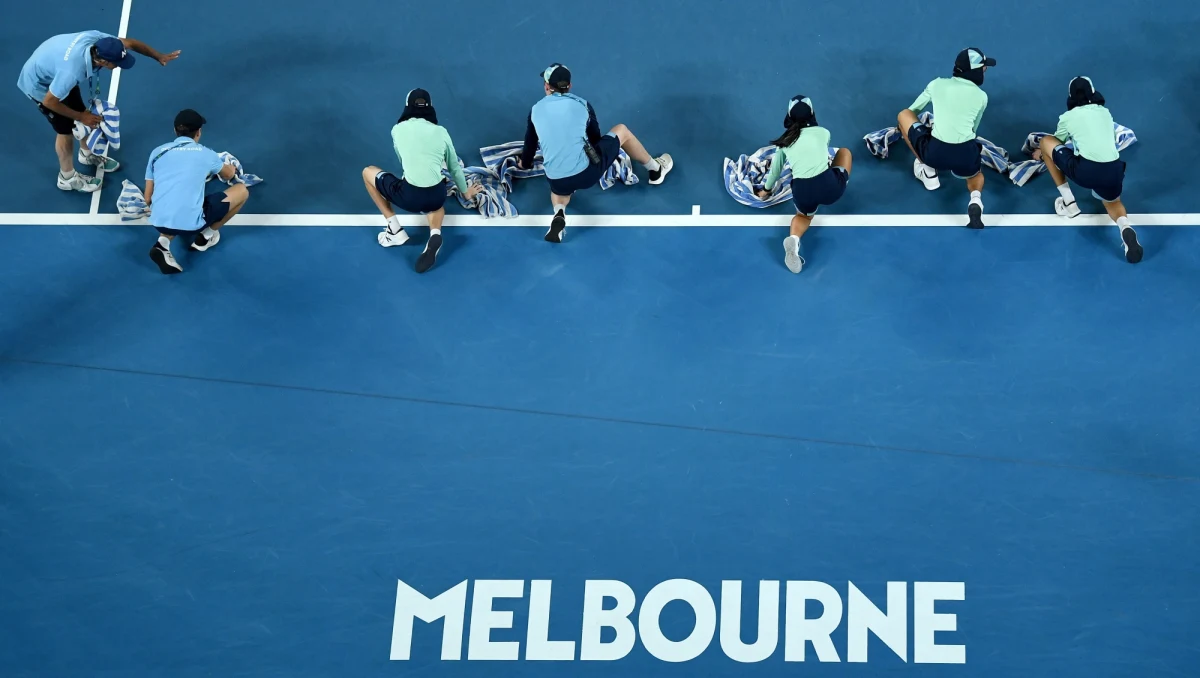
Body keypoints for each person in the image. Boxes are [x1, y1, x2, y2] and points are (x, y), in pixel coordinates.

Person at [519, 63, 674, 243]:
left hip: (556, 179)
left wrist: (524, 164)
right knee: (622, 130)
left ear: (546, 86)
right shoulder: (583, 104)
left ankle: (559, 212)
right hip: (588, 175)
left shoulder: (535, 110)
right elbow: (595, 139)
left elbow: (529, 145)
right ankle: (655, 169)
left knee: (559, 189)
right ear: (569, 86)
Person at [16, 31, 181, 193]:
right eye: (116, 63)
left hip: (54, 67)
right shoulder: (71, 72)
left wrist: (158, 56)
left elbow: (130, 43)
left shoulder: (100, 41)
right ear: (102, 61)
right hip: (40, 85)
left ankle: (86, 154)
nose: (119, 66)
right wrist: (82, 117)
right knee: (65, 130)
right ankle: (66, 178)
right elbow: (49, 101)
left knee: (80, 113)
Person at [362, 89, 481, 273]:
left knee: (367, 172)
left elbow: (404, 161)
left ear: (407, 107)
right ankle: (435, 233)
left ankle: (395, 231)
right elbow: (454, 167)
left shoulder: (397, 130)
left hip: (410, 196)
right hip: (436, 195)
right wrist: (466, 192)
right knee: (435, 205)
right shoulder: (441, 132)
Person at [1035, 77, 1142, 264]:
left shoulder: (1067, 117)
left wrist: (1041, 152)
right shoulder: (1105, 112)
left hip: (1086, 171)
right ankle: (1125, 227)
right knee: (1112, 203)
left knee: (1046, 143)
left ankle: (1069, 203)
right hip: (1114, 171)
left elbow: (1057, 141)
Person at [898, 48, 996, 229]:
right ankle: (975, 200)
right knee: (975, 175)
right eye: (983, 67)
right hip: (965, 153)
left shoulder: (936, 84)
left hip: (935, 153)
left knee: (903, 115)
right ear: (974, 72)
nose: (986, 70)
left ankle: (927, 169)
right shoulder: (982, 97)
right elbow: (974, 128)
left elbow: (913, 111)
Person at [145, 110, 250, 275]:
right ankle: (207, 236)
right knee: (242, 191)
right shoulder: (206, 154)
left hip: (157, 220)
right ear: (199, 132)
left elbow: (147, 198)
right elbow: (228, 174)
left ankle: (162, 243)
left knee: (173, 205)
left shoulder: (157, 152)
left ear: (175, 131)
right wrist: (231, 167)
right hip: (191, 224)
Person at [756, 96, 852, 274]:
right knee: (844, 152)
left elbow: (775, 172)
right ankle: (840, 179)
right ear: (812, 113)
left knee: (804, 217)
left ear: (789, 117)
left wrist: (766, 191)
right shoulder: (824, 132)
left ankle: (793, 238)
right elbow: (822, 150)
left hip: (802, 190)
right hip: (830, 189)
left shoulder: (784, 143)